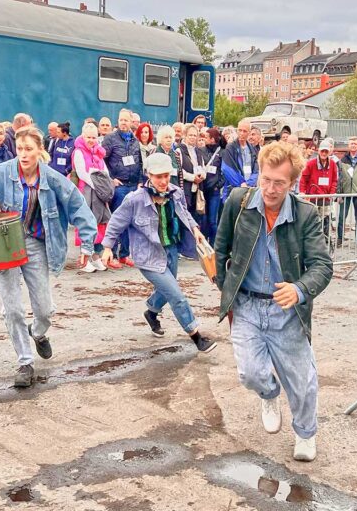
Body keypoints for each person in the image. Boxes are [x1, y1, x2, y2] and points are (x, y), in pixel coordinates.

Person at [214, 141, 334, 462]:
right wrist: (226, 290)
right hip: (247, 306)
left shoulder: (305, 215)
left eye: (279, 183)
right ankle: (269, 395)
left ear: (292, 183)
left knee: (302, 381)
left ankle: (305, 433)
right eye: (265, 179)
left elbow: (323, 266)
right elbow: (221, 248)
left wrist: (299, 289)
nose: (269, 188)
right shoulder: (238, 203)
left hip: (286, 310)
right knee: (250, 374)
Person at [0, 126, 99, 387]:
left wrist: (88, 243)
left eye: (29, 149)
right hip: (4, 242)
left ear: (40, 150)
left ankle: (38, 333)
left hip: (36, 244)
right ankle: (25, 363)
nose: (24, 154)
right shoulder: (2, 172)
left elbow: (78, 206)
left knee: (44, 309)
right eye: (20, 149)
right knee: (13, 309)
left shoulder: (52, 178)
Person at [101, 153, 216, 352]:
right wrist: (107, 248)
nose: (163, 181)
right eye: (158, 176)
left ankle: (151, 312)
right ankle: (197, 337)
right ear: (148, 176)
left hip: (171, 251)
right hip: (148, 256)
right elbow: (116, 222)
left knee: (167, 289)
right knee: (177, 296)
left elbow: (184, 213)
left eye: (166, 176)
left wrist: (195, 230)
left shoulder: (176, 193)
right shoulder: (134, 200)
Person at [102, 108, 142, 269]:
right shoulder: (110, 139)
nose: (123, 122)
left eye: (126, 120)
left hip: (133, 185)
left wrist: (140, 181)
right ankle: (111, 254)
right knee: (117, 221)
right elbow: (101, 161)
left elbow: (140, 162)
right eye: (121, 120)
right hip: (119, 187)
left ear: (131, 122)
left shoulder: (135, 140)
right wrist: (111, 179)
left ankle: (124, 254)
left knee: (130, 222)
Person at [74, 122, 113, 272]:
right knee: (86, 223)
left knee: (100, 224)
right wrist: (97, 184)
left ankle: (95, 256)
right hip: (86, 191)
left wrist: (105, 185)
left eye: (94, 137)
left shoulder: (98, 152)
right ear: (83, 136)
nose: (91, 140)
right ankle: (85, 258)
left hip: (99, 194)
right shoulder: (78, 152)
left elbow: (105, 170)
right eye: (88, 137)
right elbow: (81, 172)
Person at [299, 140, 338, 243]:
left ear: (329, 152)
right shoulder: (311, 163)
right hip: (313, 198)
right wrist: (302, 192)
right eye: (322, 151)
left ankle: (324, 242)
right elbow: (304, 178)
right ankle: (312, 241)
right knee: (313, 221)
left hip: (326, 198)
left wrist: (332, 192)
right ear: (319, 151)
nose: (324, 153)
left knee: (326, 221)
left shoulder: (333, 164)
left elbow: (334, 180)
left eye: (326, 151)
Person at [221, 119, 259, 199]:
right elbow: (227, 169)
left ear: (249, 133)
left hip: (249, 189)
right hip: (234, 189)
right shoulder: (230, 147)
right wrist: (241, 183)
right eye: (240, 130)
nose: (242, 133)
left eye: (244, 131)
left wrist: (249, 183)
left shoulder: (252, 149)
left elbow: (256, 170)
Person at [200, 127, 226, 243]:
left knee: (212, 221)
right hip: (203, 189)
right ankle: (203, 243)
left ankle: (214, 245)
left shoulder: (222, 152)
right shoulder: (200, 150)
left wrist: (218, 186)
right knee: (203, 219)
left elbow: (224, 172)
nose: (203, 139)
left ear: (212, 139)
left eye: (206, 137)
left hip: (214, 191)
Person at [180, 124, 207, 220]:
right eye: (190, 135)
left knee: (196, 218)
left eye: (195, 135)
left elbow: (204, 168)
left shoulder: (198, 151)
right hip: (185, 189)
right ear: (185, 135)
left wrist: (202, 176)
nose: (193, 137)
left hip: (197, 190)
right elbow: (179, 170)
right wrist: (192, 178)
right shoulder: (179, 150)